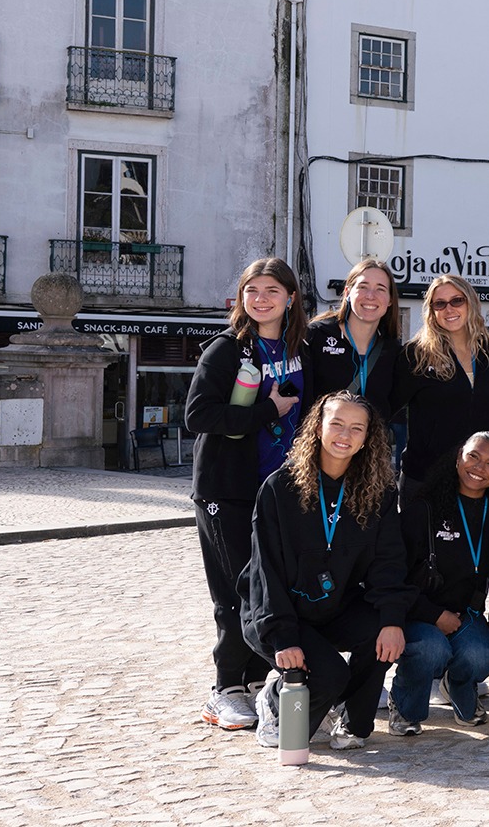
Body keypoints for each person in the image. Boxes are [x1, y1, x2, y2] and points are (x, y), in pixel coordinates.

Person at [242, 391, 412, 750]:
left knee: (379, 634)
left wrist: (393, 619)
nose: (344, 436)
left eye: (356, 428)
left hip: (335, 607)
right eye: (336, 424)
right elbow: (265, 571)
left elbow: (389, 561)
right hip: (280, 614)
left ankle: (353, 722)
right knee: (330, 676)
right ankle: (274, 700)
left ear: (368, 438)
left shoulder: (377, 493)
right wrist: (283, 636)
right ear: (318, 427)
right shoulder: (279, 488)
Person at [187, 257, 307, 732]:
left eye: (271, 290)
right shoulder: (226, 350)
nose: (260, 299)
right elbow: (197, 417)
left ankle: (259, 681)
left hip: (280, 490)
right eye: (252, 290)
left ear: (290, 298)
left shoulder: (300, 348)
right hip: (227, 489)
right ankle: (226, 688)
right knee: (235, 589)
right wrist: (267, 412)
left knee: (269, 588)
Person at [389, 431, 489, 733]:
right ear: (458, 458)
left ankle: (456, 685)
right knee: (432, 649)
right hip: (420, 611)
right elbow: (393, 578)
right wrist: (432, 615)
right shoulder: (423, 510)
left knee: (481, 655)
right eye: (473, 457)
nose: (480, 468)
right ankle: (404, 707)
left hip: (465, 613)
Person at [395, 274, 489, 501]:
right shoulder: (416, 355)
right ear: (432, 311)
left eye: (457, 300)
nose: (449, 309)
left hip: (480, 479)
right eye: (440, 304)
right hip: (426, 478)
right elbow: (386, 408)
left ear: (471, 302)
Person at [303, 259, 400, 416]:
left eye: (380, 289)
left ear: (390, 300)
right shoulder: (317, 336)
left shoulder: (393, 350)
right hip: (322, 438)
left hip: (372, 440)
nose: (370, 296)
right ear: (347, 293)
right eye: (363, 287)